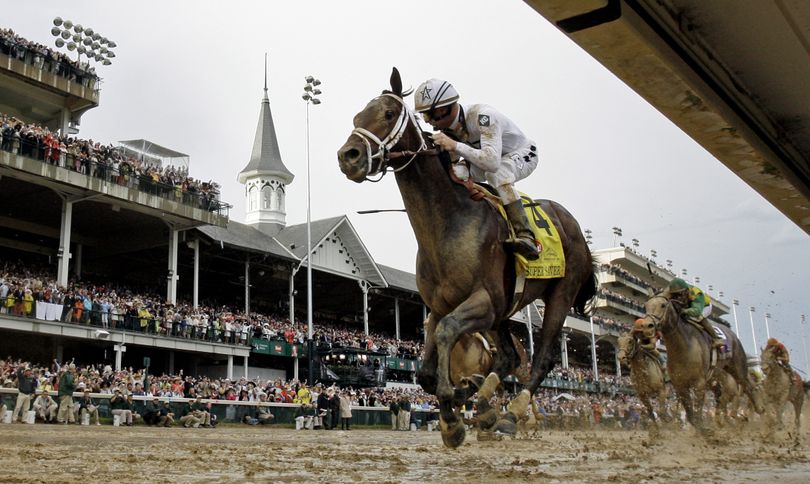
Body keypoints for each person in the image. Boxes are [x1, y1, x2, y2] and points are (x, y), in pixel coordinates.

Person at [414, 78, 540, 260]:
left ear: (442, 110)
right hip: (488, 159)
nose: (427, 122)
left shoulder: (484, 117)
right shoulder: (449, 129)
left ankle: (525, 235)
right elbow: (457, 166)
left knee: (499, 174)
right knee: (457, 174)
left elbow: (491, 163)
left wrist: (455, 146)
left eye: (428, 115)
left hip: (522, 154)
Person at [664, 278, 723, 348]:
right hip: (690, 303)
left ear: (685, 291)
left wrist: (684, 311)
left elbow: (696, 311)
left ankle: (716, 338)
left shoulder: (696, 294)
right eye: (675, 295)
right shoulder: (676, 290)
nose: (677, 297)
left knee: (699, 318)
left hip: (704, 306)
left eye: (679, 294)